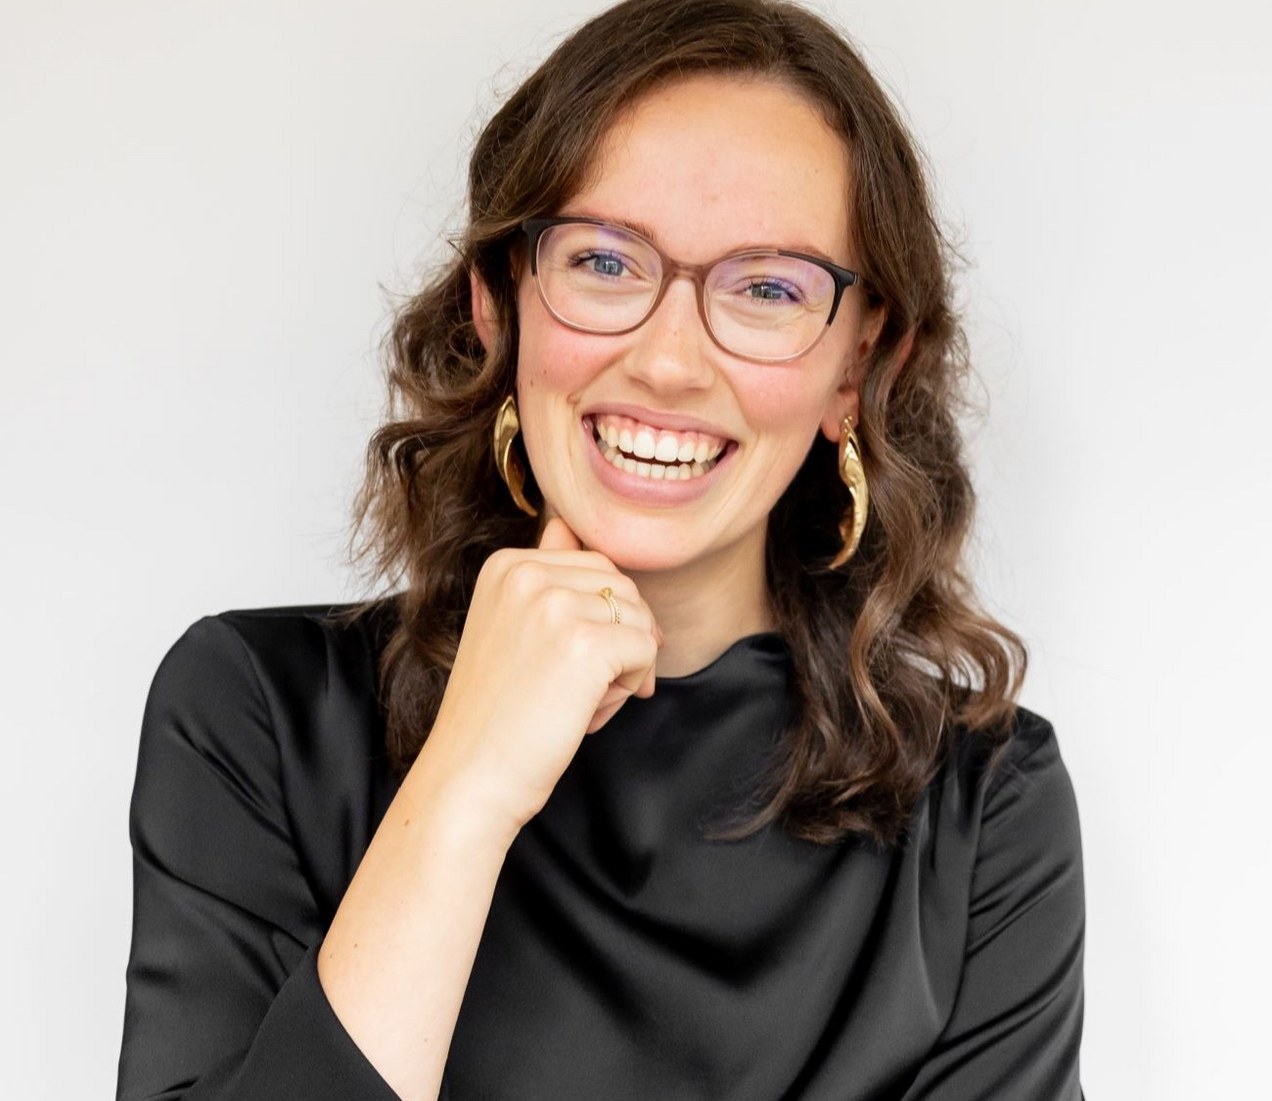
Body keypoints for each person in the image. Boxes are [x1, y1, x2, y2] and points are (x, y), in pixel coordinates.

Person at [116, 0, 1085, 1097]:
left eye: (769, 289)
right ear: (498, 304)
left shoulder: (984, 808)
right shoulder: (257, 714)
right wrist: (467, 785)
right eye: (606, 263)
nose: (668, 362)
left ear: (858, 368)